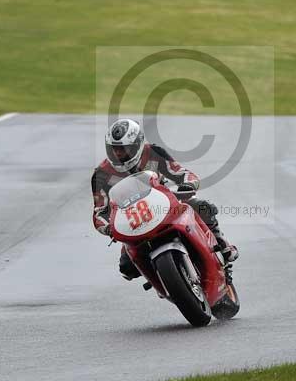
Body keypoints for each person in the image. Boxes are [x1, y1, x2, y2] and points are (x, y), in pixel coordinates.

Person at [91, 118, 239, 280]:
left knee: (202, 207)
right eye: (114, 149)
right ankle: (164, 280)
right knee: (127, 268)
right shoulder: (101, 174)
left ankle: (222, 243)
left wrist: (188, 185)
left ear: (137, 145)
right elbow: (99, 212)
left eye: (123, 149)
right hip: (134, 222)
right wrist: (109, 228)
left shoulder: (154, 152)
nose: (118, 154)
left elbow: (183, 173)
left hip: (166, 205)